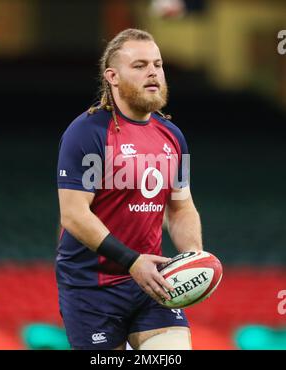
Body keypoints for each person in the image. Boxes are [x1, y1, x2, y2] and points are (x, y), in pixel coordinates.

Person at [56, 28, 202, 350]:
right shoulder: (86, 132)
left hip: (151, 282)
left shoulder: (173, 136)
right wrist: (132, 261)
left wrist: (193, 258)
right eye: (139, 65)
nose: (153, 72)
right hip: (91, 288)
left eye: (158, 64)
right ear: (113, 76)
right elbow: (73, 215)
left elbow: (180, 207)